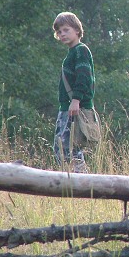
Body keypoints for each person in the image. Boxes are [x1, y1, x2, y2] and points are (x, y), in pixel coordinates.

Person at [53, 12, 95, 173]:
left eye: (66, 30)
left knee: (68, 146)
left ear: (77, 30)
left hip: (74, 107)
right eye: (59, 32)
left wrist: (76, 100)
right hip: (67, 107)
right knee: (63, 146)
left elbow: (84, 77)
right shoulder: (72, 52)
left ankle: (79, 181)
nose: (62, 34)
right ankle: (71, 181)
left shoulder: (80, 50)